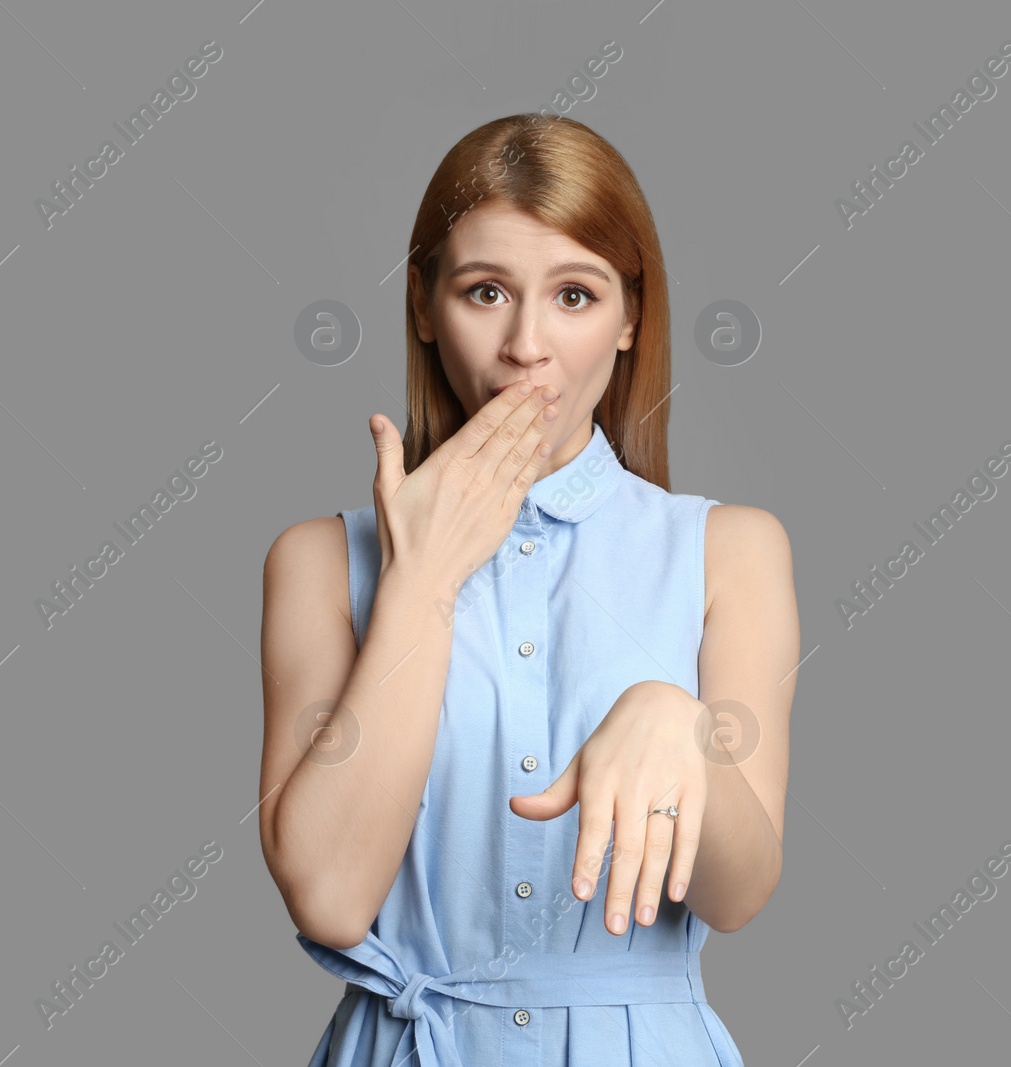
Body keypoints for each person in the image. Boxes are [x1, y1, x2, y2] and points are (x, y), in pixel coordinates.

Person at [259, 113, 799, 1066]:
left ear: (632, 318)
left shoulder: (728, 550)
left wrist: (679, 723)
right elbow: (332, 895)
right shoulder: (315, 562)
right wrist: (422, 579)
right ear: (426, 307)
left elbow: (740, 890)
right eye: (486, 291)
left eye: (576, 295)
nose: (526, 345)